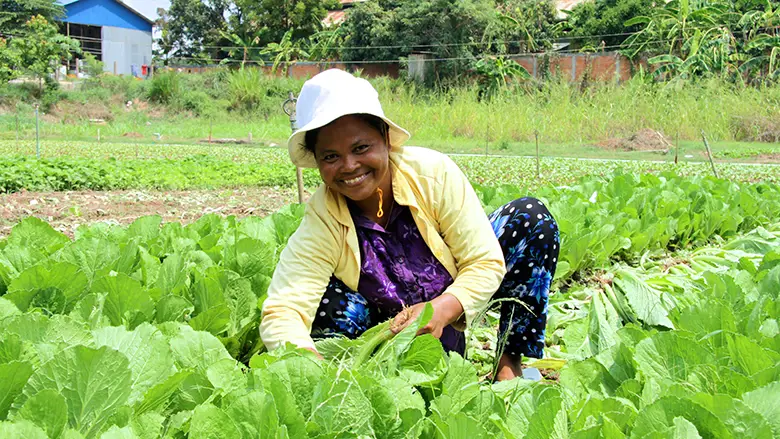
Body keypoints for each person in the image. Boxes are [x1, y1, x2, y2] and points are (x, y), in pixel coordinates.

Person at [259, 69, 559, 381]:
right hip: (393, 341)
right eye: (331, 156)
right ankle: (363, 382)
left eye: (361, 148)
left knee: (530, 219)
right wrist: (309, 366)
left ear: (386, 140)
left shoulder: (433, 175)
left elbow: (483, 261)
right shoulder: (323, 217)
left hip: (448, 310)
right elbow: (283, 311)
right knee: (326, 302)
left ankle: (508, 366)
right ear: (318, 162)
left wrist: (442, 309)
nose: (349, 166)